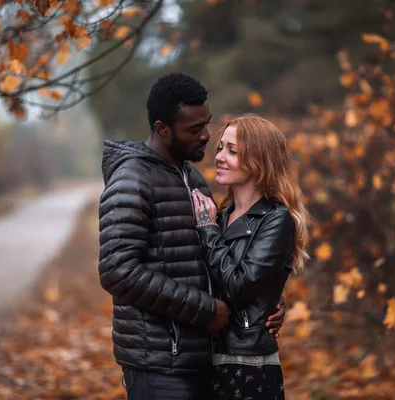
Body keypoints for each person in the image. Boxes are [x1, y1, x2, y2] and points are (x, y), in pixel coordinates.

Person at [97, 73, 286, 399]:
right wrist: (205, 310)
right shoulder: (132, 180)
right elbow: (118, 271)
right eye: (194, 129)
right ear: (162, 129)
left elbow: (213, 255)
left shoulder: (192, 176)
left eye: (206, 124)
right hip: (158, 363)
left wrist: (263, 298)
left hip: (201, 357)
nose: (205, 136)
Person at [191, 114, 310, 399]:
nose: (219, 156)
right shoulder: (220, 215)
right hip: (208, 358)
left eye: (233, 151)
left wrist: (207, 230)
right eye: (220, 147)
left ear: (260, 161)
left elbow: (238, 286)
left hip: (247, 364)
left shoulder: (276, 219)